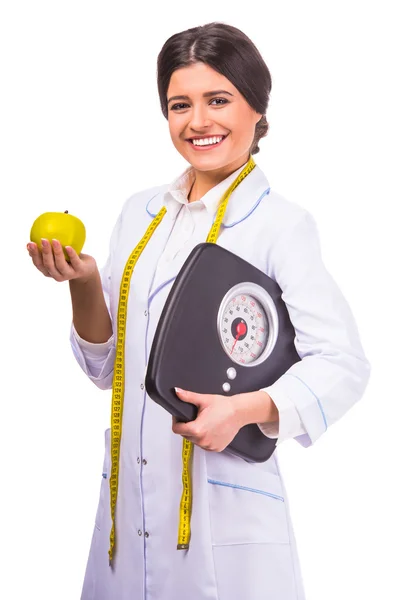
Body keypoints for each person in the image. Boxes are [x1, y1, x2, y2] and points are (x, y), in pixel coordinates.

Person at [26, 21, 371, 600]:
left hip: (224, 517)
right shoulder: (140, 215)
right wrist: (84, 283)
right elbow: (108, 371)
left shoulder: (281, 225)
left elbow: (342, 363)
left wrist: (245, 409)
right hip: (126, 515)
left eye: (219, 100)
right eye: (179, 104)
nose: (198, 122)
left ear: (257, 108)